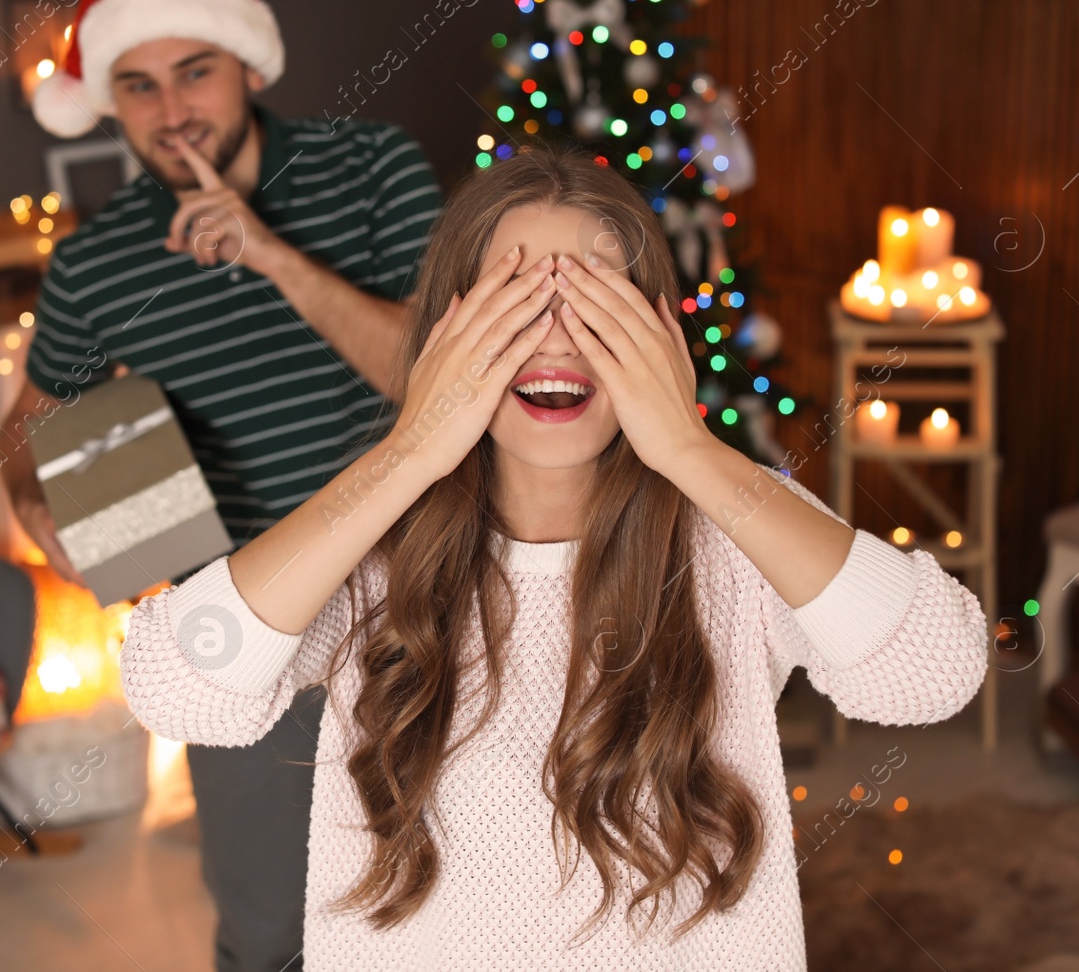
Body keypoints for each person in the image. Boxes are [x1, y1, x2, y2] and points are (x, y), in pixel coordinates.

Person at [120, 148, 989, 970]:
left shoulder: (733, 522)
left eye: (596, 305)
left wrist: (689, 447)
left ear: (657, 335)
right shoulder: (374, 537)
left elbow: (933, 670)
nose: (558, 342)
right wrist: (408, 453)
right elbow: (172, 684)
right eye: (516, 302)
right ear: (449, 334)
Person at [0, 0, 441, 972]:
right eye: (138, 85)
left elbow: (429, 377)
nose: (170, 111)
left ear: (247, 62)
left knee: (449, 895)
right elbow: (26, 423)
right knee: (272, 930)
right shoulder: (94, 265)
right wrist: (38, 504)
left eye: (193, 72)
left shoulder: (373, 168)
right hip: (240, 633)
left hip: (419, 600)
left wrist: (268, 252)